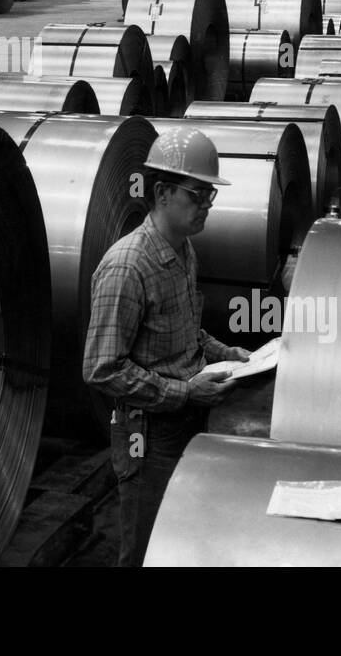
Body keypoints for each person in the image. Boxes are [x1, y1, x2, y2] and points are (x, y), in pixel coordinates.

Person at [83, 128, 250, 567]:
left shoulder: (183, 251)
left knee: (183, 538)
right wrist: (183, 392)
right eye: (198, 195)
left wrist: (224, 352)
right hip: (147, 435)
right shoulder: (127, 267)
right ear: (162, 192)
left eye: (209, 194)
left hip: (188, 418)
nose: (207, 205)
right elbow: (101, 368)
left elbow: (186, 331)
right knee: (145, 546)